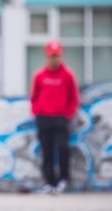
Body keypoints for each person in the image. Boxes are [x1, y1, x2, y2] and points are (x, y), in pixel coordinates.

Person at [30, 39, 79, 194]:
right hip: (43, 118)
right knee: (47, 151)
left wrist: (67, 114)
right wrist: (37, 110)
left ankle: (63, 180)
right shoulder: (39, 75)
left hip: (60, 119)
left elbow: (74, 98)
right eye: (52, 56)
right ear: (47, 56)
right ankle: (49, 182)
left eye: (57, 55)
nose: (54, 58)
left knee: (63, 149)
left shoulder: (68, 75)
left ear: (60, 56)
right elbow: (34, 96)